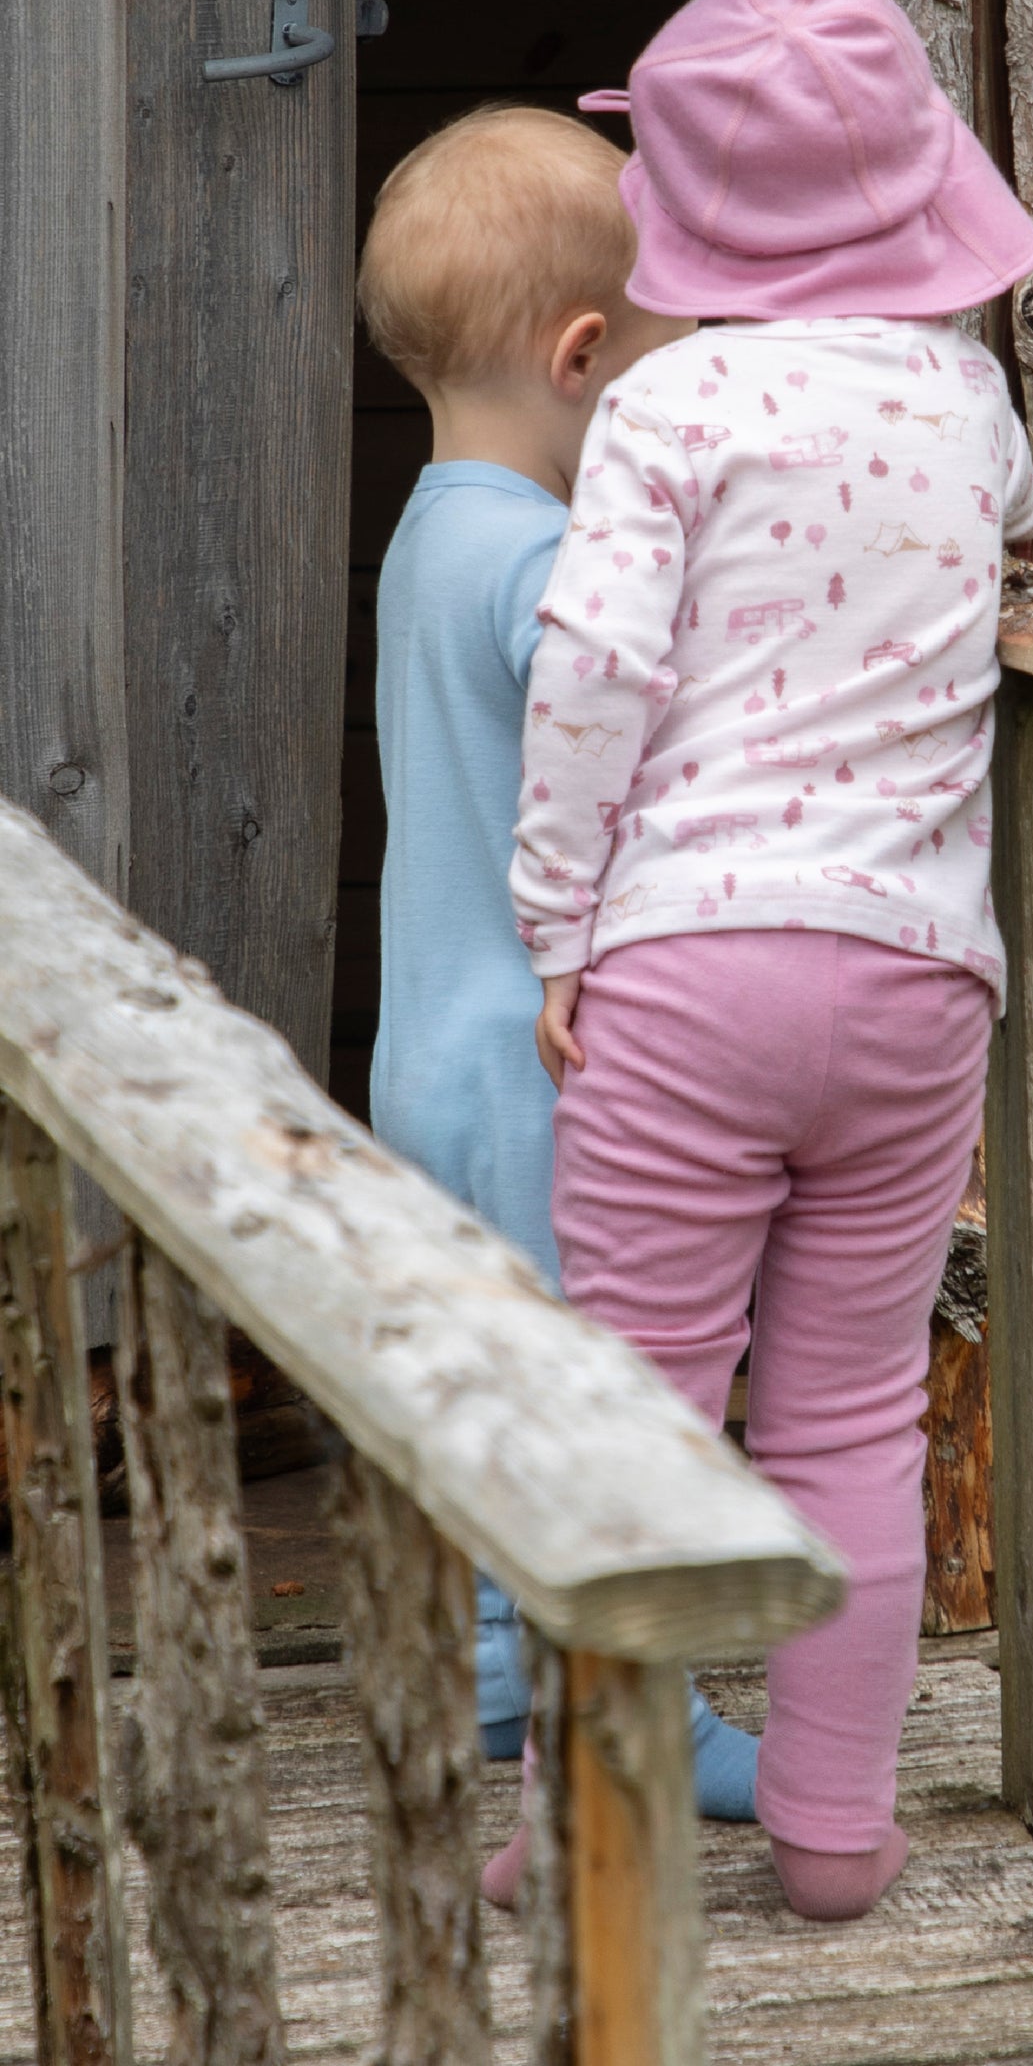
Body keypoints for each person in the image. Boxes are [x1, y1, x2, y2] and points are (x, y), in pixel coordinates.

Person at [501, 0, 1033, 1921]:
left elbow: (590, 674)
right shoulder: (966, 398)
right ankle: (834, 1830)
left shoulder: (662, 409)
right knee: (845, 1424)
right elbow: (1031, 530)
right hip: (915, 983)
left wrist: (556, 926)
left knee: (635, 1409)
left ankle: (597, 1833)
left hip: (685, 968)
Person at [358, 103, 760, 1815]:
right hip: (540, 1060)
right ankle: (635, 1714)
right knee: (597, 1379)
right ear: (588, 359)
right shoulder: (545, 559)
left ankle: (497, 1695)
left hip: (422, 1055)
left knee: (488, 1378)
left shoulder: (429, 533)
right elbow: (644, 694)